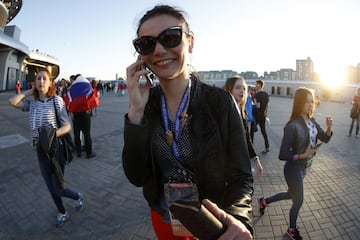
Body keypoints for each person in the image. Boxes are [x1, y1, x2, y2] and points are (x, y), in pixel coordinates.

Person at [122, 5, 254, 240]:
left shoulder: (220, 102)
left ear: (190, 42)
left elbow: (241, 176)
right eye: (147, 43)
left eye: (170, 37)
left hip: (211, 222)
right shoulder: (147, 105)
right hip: (164, 216)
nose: (160, 50)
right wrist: (136, 111)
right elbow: (136, 176)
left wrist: (238, 219)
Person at [8, 68, 83, 227]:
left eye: (44, 79)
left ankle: (77, 196)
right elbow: (12, 102)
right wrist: (31, 91)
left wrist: (50, 136)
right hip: (39, 151)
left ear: (50, 83)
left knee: (59, 188)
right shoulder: (32, 104)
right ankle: (63, 212)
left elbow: (67, 126)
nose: (41, 81)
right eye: (38, 79)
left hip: (55, 150)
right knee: (50, 187)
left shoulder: (56, 100)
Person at [258, 87, 333, 240]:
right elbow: (282, 154)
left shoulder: (312, 121)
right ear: (299, 103)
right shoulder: (292, 126)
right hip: (293, 170)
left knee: (290, 194)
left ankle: (264, 201)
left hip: (305, 168)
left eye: (312, 101)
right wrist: (302, 155)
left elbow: (325, 138)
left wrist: (329, 127)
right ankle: (292, 230)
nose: (310, 105)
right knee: (298, 200)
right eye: (306, 102)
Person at [224, 75, 264, 177]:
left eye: (244, 88)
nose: (242, 91)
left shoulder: (242, 112)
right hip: (226, 167)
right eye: (238, 88)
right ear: (229, 90)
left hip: (239, 164)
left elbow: (246, 138)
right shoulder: (223, 113)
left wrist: (256, 159)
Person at [64, 74, 98, 159]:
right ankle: (88, 153)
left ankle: (78, 152)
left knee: (76, 133)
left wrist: (70, 111)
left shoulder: (72, 88)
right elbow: (95, 99)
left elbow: (67, 101)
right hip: (86, 113)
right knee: (87, 133)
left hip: (75, 114)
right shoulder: (87, 86)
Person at [253, 79, 270, 153]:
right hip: (263, 115)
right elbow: (266, 106)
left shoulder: (257, 94)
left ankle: (250, 148)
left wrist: (253, 104)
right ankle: (267, 147)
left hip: (257, 115)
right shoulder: (266, 94)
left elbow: (258, 106)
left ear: (259, 85)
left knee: (251, 131)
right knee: (263, 131)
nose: (255, 86)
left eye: (256, 84)